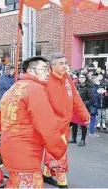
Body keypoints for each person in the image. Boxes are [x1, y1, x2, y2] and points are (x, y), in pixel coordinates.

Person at [0, 56, 67, 188]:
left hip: (9, 150)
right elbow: (47, 126)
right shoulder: (35, 90)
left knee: (15, 184)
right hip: (27, 153)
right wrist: (59, 149)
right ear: (31, 71)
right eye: (43, 69)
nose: (47, 73)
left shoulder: (14, 88)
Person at [44, 53, 90, 188]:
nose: (65, 66)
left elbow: (76, 99)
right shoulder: (46, 81)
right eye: (61, 63)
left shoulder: (67, 79)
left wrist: (84, 115)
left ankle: (46, 174)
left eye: (65, 63)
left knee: (54, 151)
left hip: (65, 123)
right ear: (52, 66)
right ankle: (62, 181)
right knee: (59, 152)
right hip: (52, 125)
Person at [70, 73, 97, 146]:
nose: (80, 78)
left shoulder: (89, 87)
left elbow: (93, 99)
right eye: (79, 77)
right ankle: (74, 138)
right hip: (75, 108)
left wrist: (84, 104)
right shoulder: (76, 86)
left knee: (83, 124)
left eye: (82, 77)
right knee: (74, 123)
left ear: (86, 78)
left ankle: (83, 140)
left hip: (84, 108)